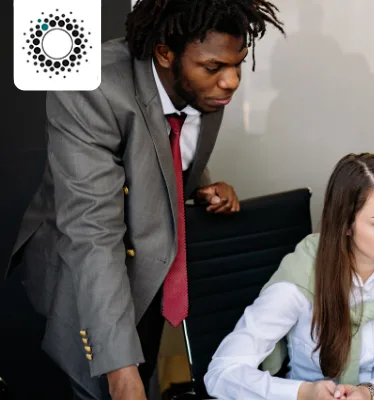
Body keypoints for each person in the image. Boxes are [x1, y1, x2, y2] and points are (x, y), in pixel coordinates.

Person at [8, 1, 284, 398]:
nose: (231, 82)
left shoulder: (205, 85)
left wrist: (199, 184)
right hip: (85, 277)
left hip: (153, 272)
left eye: (238, 65)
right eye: (214, 68)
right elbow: (92, 233)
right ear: (165, 53)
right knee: (101, 385)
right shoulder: (91, 88)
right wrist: (120, 370)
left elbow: (167, 146)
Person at [204, 153, 374, 400]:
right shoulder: (298, 283)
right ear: (345, 224)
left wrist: (372, 392)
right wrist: (302, 393)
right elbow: (221, 373)